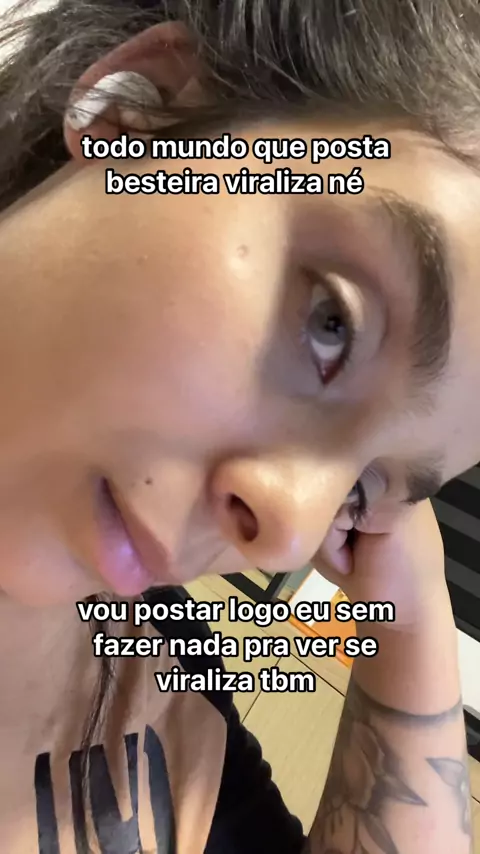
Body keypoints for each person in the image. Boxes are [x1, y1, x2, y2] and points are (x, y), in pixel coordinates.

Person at [0, 0, 479, 851]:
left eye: (360, 489)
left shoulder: (151, 651)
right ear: (134, 113)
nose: (290, 530)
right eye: (331, 324)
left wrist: (409, 618)